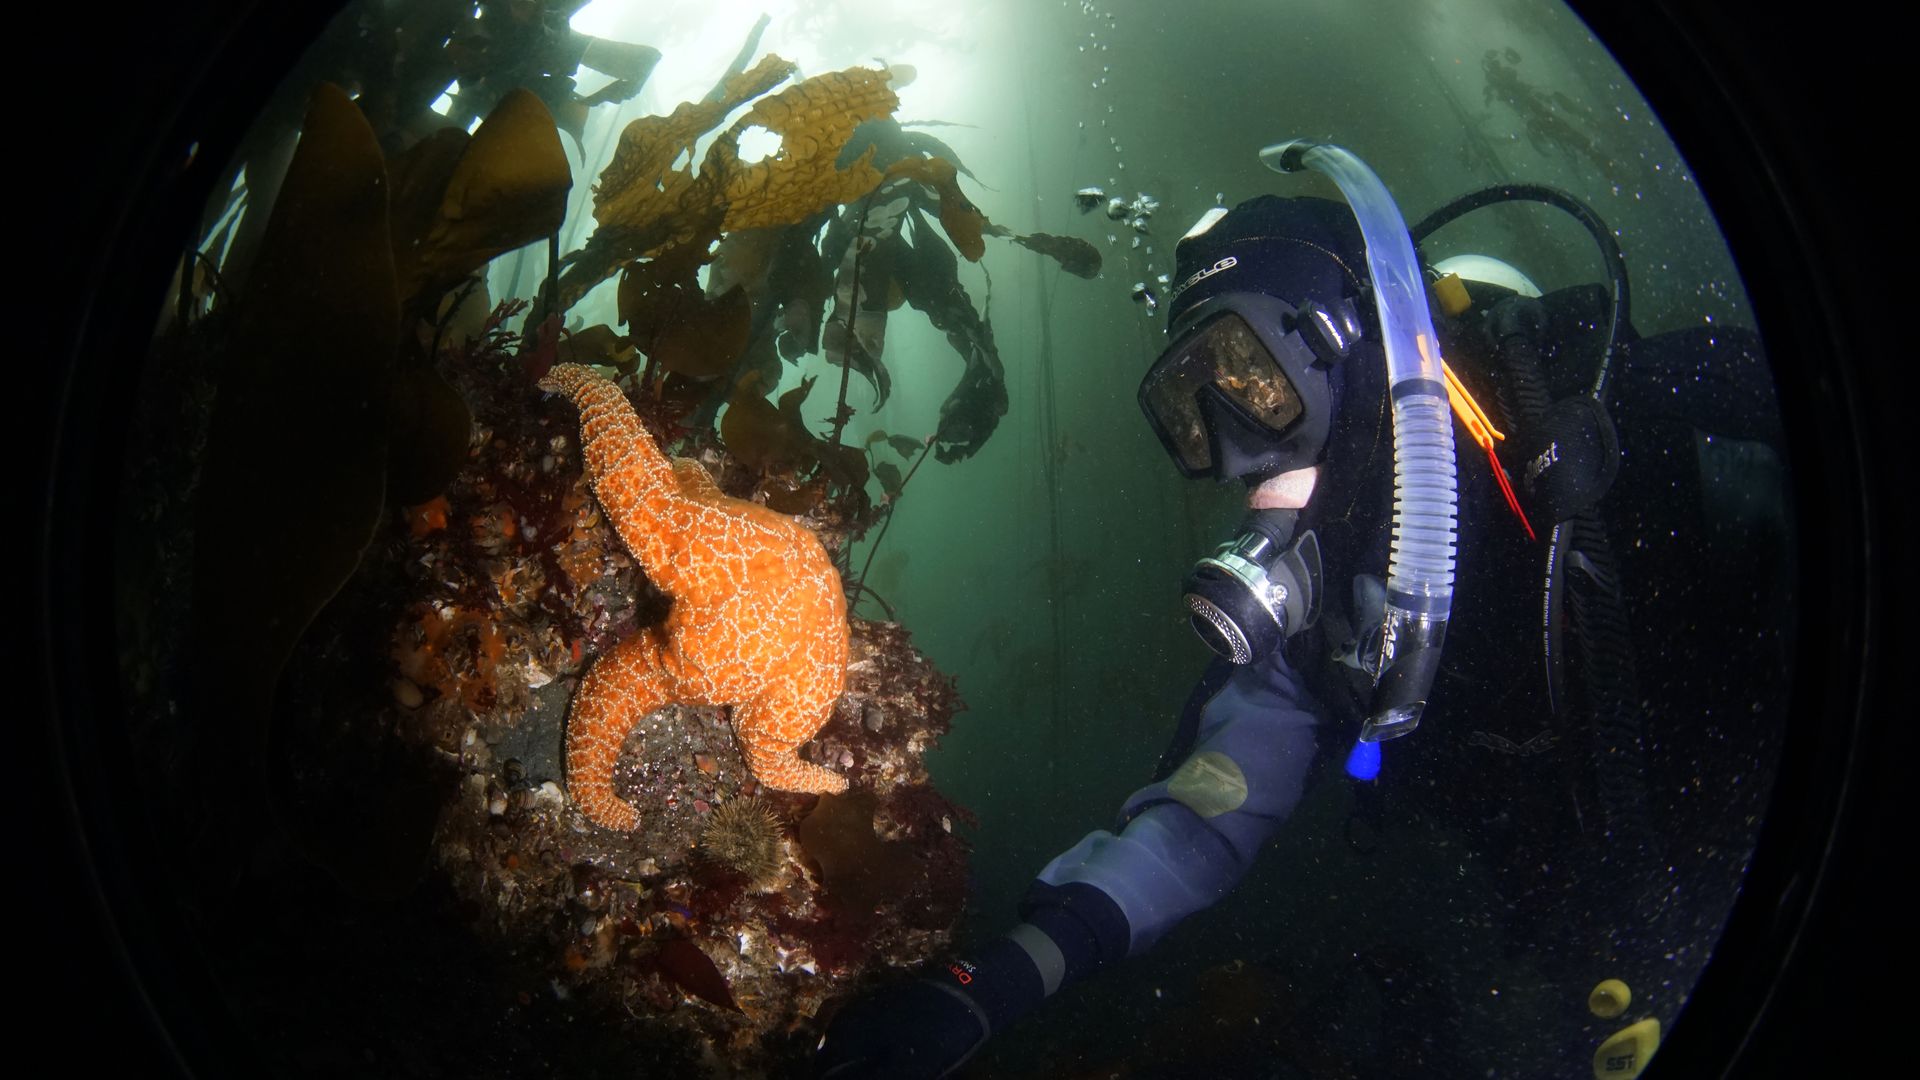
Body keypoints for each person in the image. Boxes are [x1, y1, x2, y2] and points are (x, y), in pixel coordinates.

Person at [814, 144, 1787, 1079]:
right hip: (1590, 916)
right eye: (1191, 415)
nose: (1234, 449)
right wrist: (994, 985)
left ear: (1346, 339)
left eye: (1248, 380)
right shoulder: (1317, 626)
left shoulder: (1600, 399)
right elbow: (1206, 813)